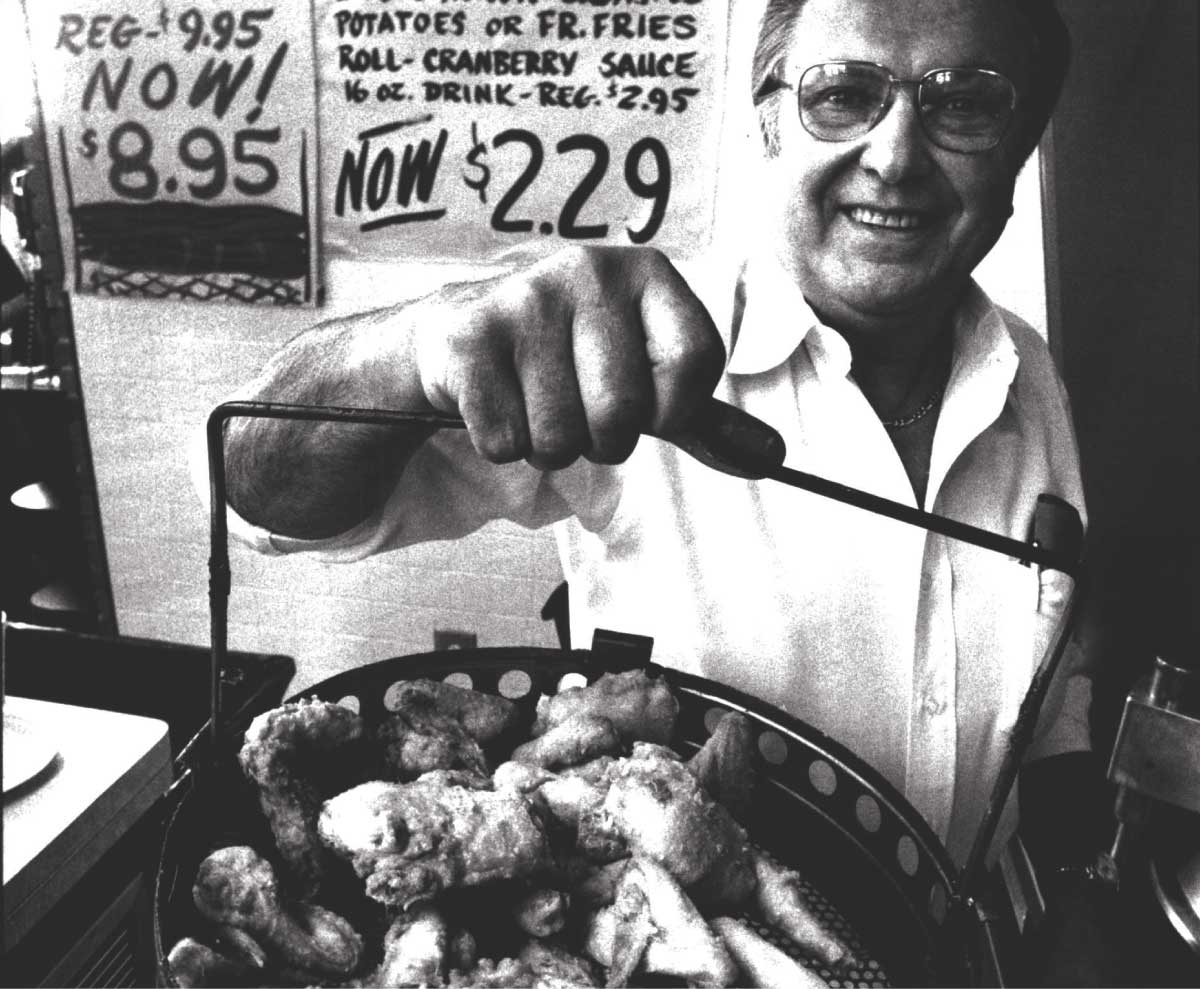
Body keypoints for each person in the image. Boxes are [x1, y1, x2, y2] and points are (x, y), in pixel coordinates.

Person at [218, 0, 1103, 890]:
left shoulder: (1029, 372)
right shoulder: (629, 351)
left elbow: (1051, 702)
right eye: (843, 94)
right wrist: (414, 345)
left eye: (966, 105)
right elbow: (260, 495)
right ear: (769, 121)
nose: (896, 156)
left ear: (1020, 149)